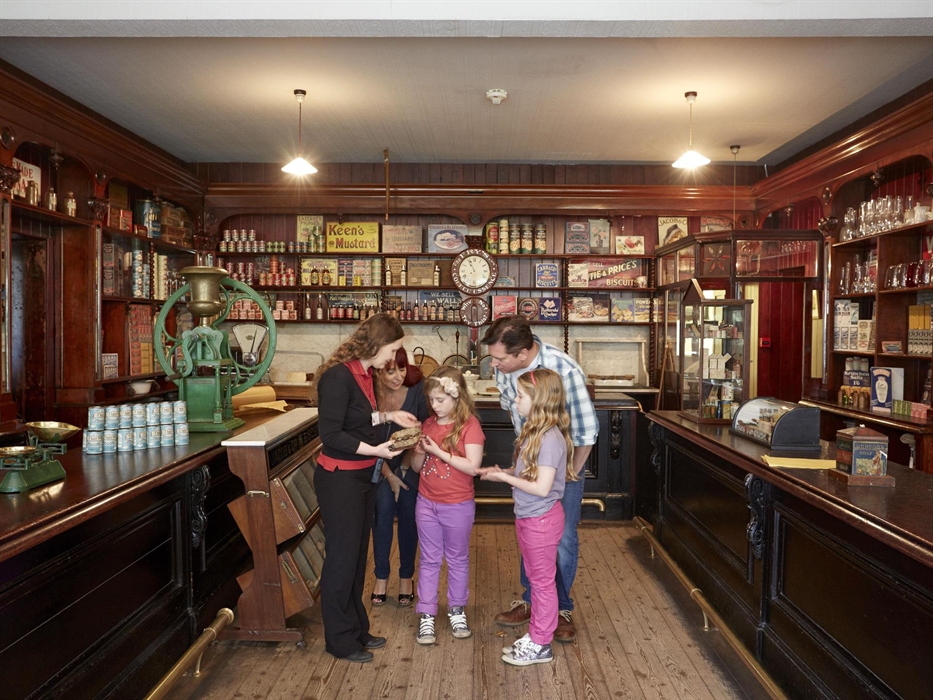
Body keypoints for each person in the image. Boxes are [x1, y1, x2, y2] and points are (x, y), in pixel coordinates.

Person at [312, 313, 421, 664]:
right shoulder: (338, 377)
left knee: (359, 559)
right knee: (341, 561)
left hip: (362, 477)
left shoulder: (363, 374)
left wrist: (391, 417)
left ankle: (357, 629)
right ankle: (340, 641)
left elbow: (359, 418)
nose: (395, 356)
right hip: (340, 478)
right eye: (393, 347)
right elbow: (331, 435)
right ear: (376, 344)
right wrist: (376, 451)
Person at [481, 315, 598, 642]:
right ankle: (532, 600)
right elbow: (510, 408)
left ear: (522, 354)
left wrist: (567, 474)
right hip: (531, 462)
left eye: (500, 358)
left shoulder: (565, 370)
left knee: (560, 540)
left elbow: (588, 433)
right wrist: (522, 456)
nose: (495, 363)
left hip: (565, 466)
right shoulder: (506, 369)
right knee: (532, 532)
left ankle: (560, 608)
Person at [479, 368, 577, 666]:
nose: (515, 399)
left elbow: (542, 487)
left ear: (539, 400)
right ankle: (538, 635)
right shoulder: (534, 432)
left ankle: (541, 643)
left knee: (542, 583)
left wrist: (507, 480)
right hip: (529, 517)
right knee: (538, 581)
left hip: (541, 520)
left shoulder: (549, 439)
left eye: (520, 395)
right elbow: (528, 474)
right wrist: (503, 473)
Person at [408, 366, 485, 645]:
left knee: (457, 558)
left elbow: (472, 467)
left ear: (457, 397)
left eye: (440, 400)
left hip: (458, 504)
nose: (434, 405)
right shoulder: (428, 424)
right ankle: (426, 613)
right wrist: (418, 453)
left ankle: (456, 608)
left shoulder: (470, 426)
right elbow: (417, 468)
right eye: (431, 399)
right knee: (428, 559)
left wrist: (437, 451)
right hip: (426, 502)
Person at [371, 348, 430, 608]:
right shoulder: (368, 391)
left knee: (409, 510)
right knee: (382, 510)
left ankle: (407, 576)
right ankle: (381, 577)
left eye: (402, 369)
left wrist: (403, 469)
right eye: (390, 371)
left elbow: (424, 430)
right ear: (377, 370)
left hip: (410, 463)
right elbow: (365, 436)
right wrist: (388, 474)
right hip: (375, 463)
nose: (398, 377)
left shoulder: (418, 389)